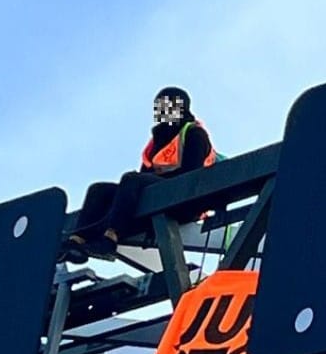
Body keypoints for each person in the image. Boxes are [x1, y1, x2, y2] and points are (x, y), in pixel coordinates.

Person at [62, 87, 217, 262]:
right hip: (157, 198)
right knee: (99, 190)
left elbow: (191, 176)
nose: (163, 111)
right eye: (159, 107)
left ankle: (111, 237)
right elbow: (143, 177)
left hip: (185, 200)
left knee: (131, 180)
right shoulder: (157, 142)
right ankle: (78, 240)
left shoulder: (194, 134)